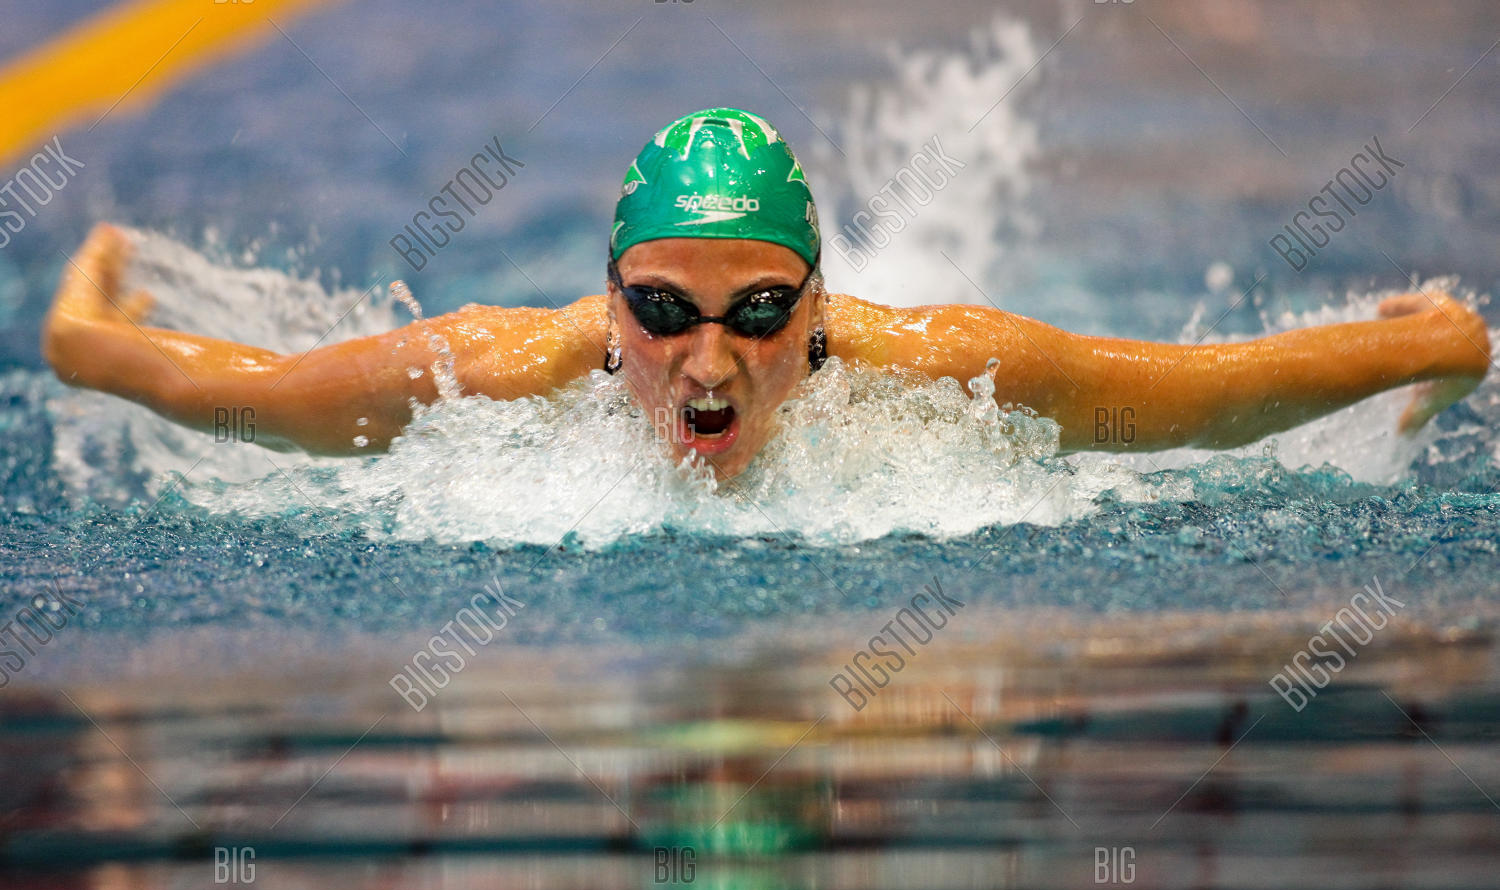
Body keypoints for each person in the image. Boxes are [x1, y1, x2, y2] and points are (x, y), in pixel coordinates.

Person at [42, 107, 1492, 480]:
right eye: (665, 312)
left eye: (758, 312)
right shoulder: (488, 372)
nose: (709, 360)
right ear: (610, 306)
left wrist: (1428, 348)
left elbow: (1205, 406)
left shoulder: (947, 367)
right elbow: (210, 390)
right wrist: (86, 311)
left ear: (817, 310)